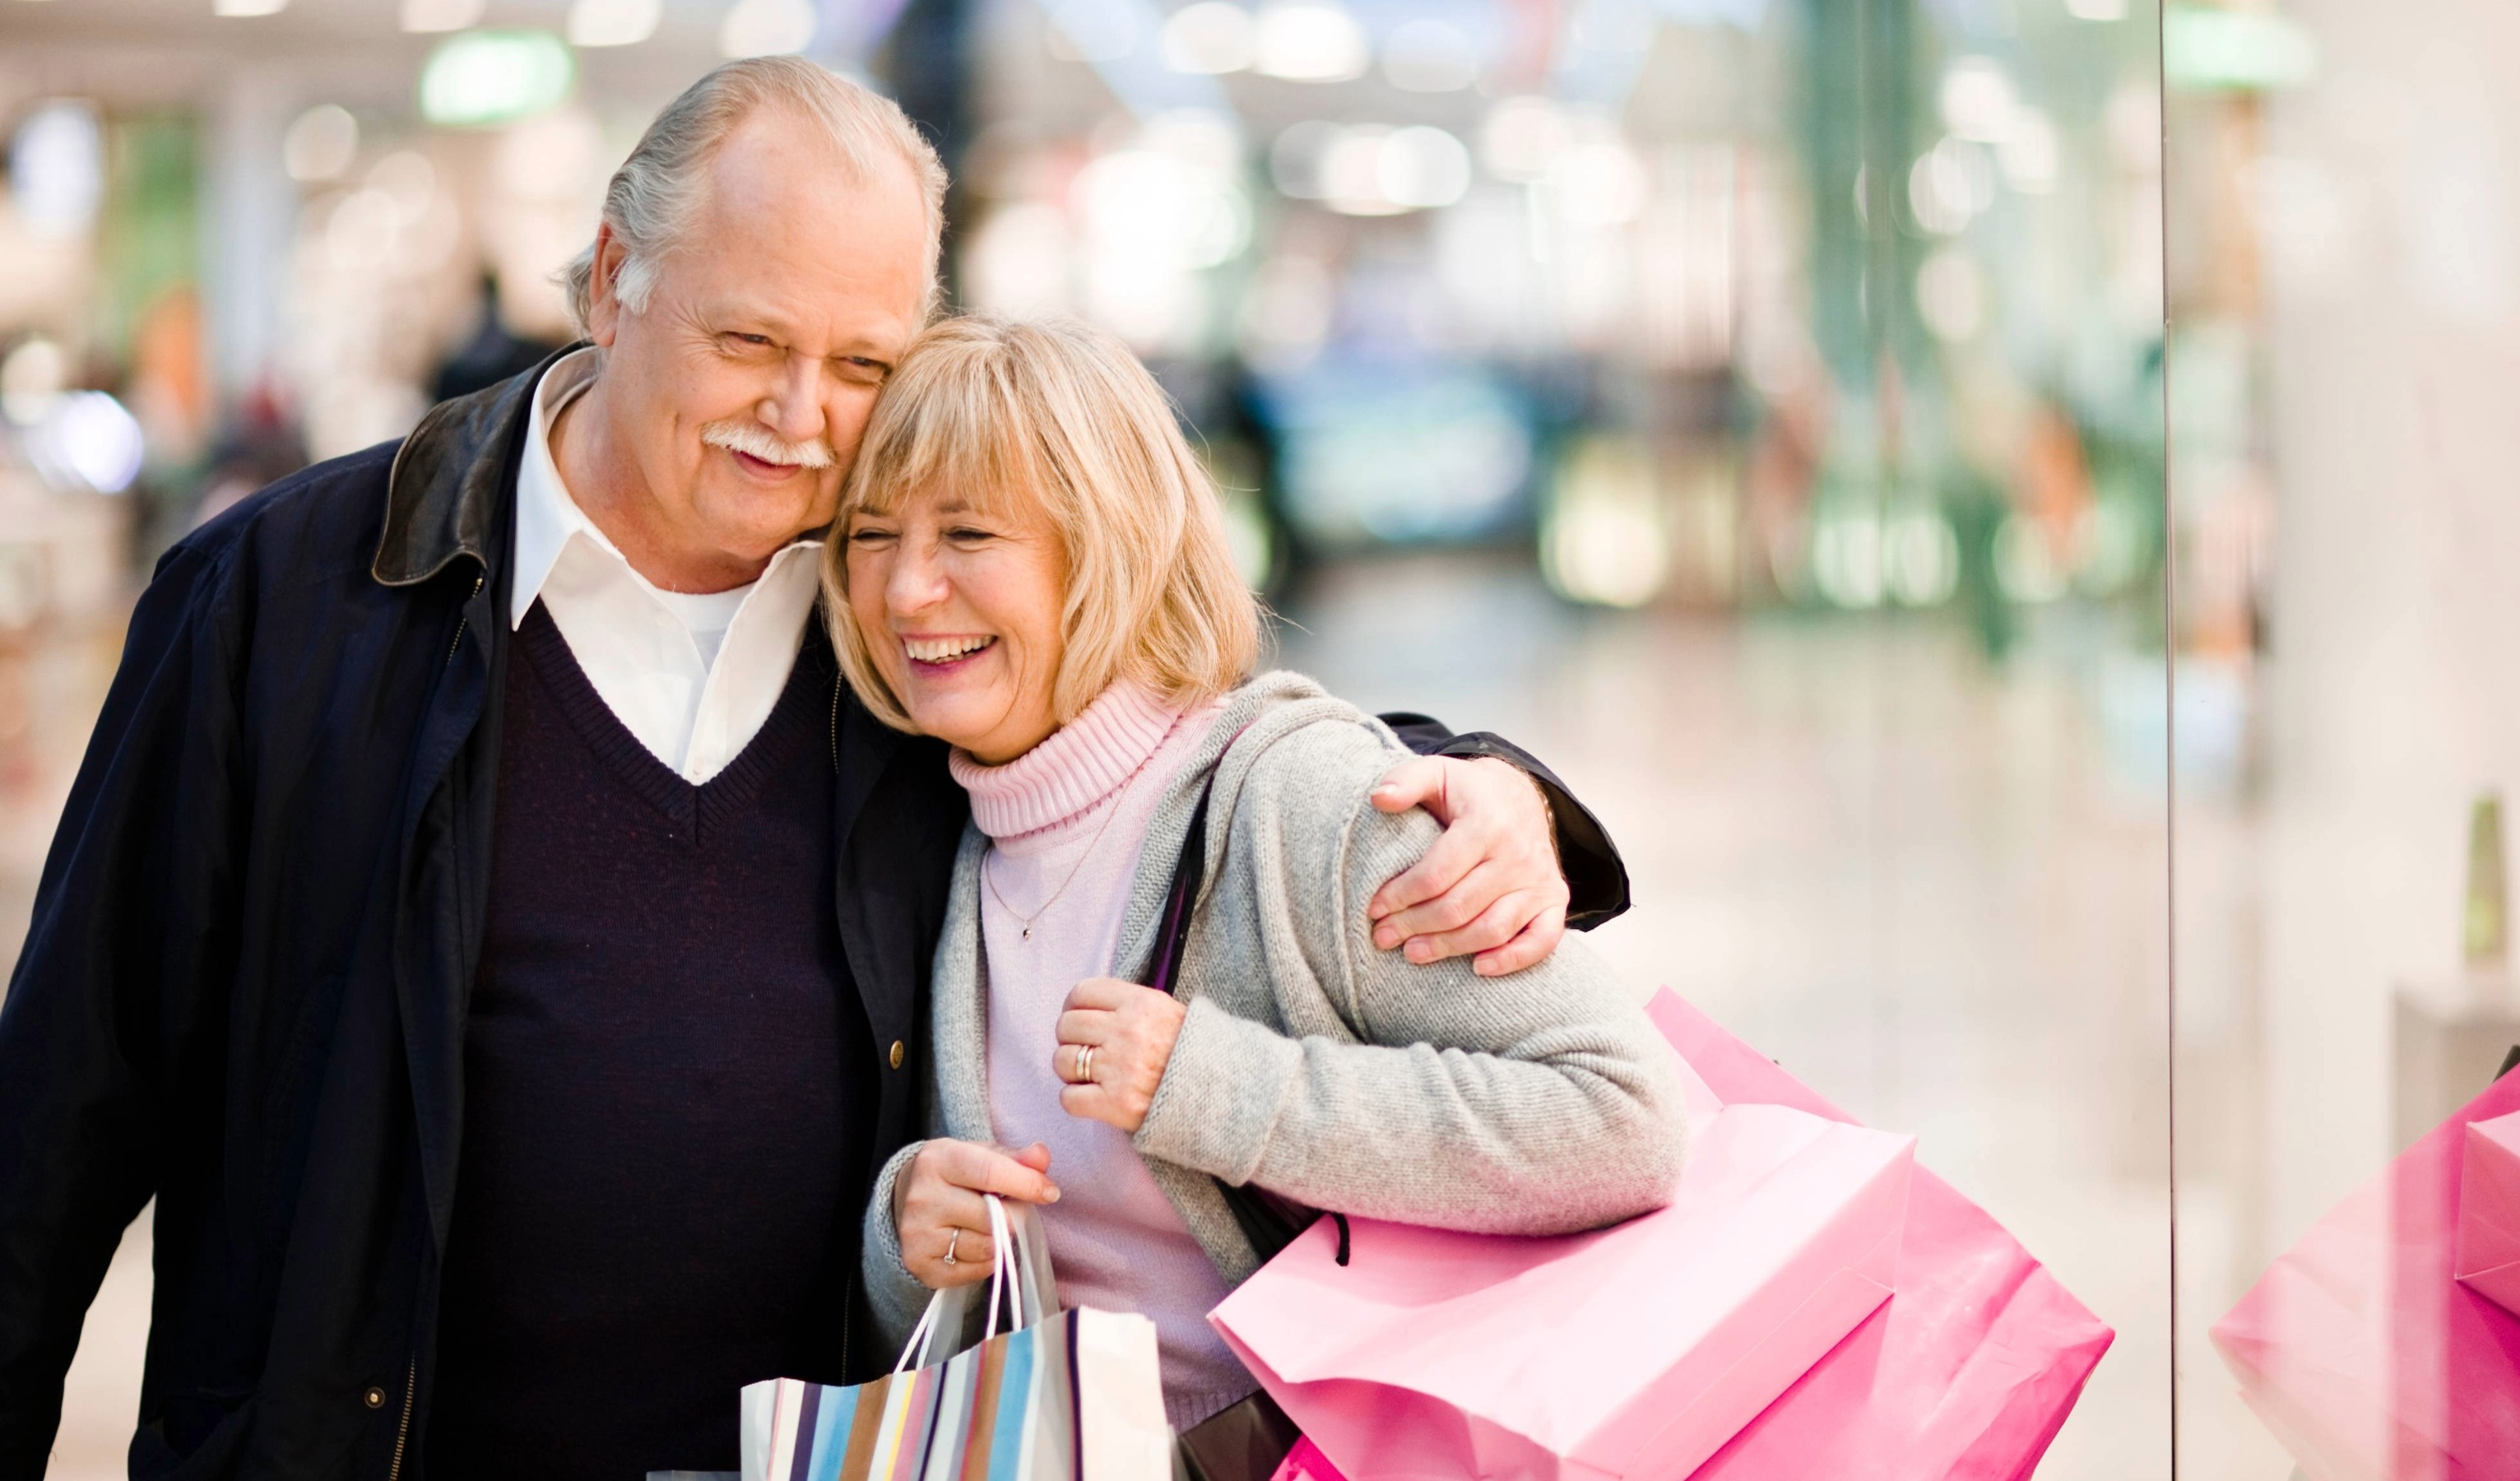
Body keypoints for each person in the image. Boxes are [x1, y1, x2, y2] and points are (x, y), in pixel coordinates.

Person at [0, 60, 1632, 1481]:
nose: (800, 418)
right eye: (747, 340)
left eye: (862, 365)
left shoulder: (899, 627)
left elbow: (1163, 734)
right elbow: (61, 1110)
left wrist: (1477, 781)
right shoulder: (300, 600)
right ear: (609, 278)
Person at [832, 315, 1690, 1465]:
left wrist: (1217, 1086)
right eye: (872, 535)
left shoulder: (1299, 803)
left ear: (1107, 549)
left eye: (969, 532)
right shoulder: (949, 841)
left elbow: (1622, 1120)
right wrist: (908, 1241)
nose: (905, 588)